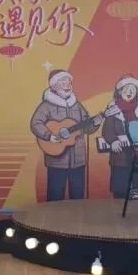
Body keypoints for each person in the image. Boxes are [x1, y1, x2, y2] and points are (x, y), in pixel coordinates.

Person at [30, 69, 106, 201]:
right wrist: (49, 136)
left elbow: (87, 129)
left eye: (69, 82)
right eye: (62, 82)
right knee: (55, 196)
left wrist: (95, 123)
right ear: (53, 86)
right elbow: (35, 124)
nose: (67, 85)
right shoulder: (46, 106)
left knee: (77, 196)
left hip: (78, 160)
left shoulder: (77, 106)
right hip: (56, 161)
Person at [98, 74, 138, 199]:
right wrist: (113, 141)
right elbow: (107, 130)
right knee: (120, 190)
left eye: (133, 89)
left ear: (137, 93)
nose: (129, 92)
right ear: (119, 91)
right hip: (120, 156)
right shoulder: (112, 109)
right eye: (126, 89)